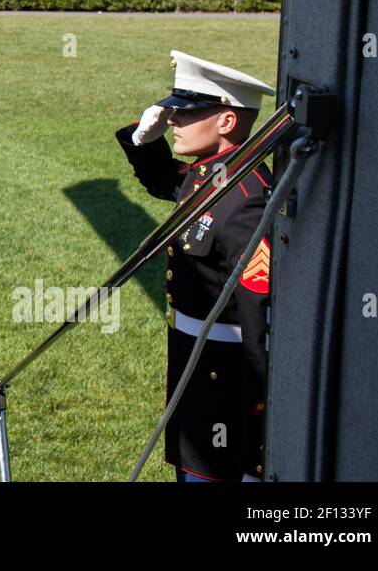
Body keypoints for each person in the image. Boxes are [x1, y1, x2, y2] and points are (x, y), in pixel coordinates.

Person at [115, 50, 276, 483]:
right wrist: (142, 142)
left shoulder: (246, 199)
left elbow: (259, 325)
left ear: (226, 122)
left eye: (186, 114)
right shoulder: (210, 177)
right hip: (193, 360)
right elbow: (167, 181)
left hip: (224, 379)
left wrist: (256, 453)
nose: (173, 122)